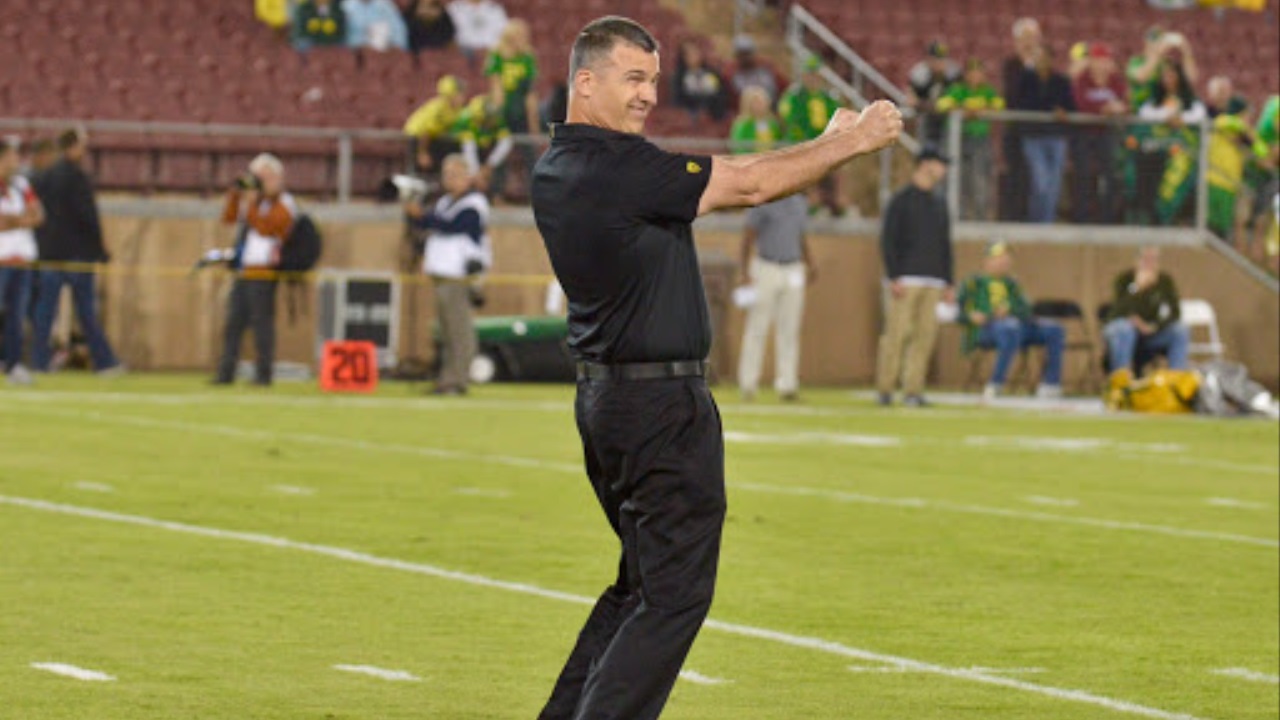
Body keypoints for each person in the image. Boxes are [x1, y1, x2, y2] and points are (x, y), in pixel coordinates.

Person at [530, 16, 901, 720]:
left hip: (609, 402)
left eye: (652, 80)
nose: (647, 95)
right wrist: (853, 142)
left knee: (641, 588)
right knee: (672, 596)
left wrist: (824, 143)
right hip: (658, 406)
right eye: (632, 79)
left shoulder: (560, 166)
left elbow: (738, 175)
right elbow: (749, 184)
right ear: (586, 82)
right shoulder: (619, 168)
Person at [30, 129, 123, 375]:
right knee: (86, 312)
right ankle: (105, 362)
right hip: (78, 255)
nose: (85, 151)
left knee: (45, 312)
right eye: (82, 146)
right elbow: (88, 215)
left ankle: (39, 362)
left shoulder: (44, 176)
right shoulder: (78, 177)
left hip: (50, 254)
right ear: (72, 147)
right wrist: (101, 250)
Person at [406, 154, 490, 395]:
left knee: (459, 330)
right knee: (446, 331)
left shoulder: (474, 203)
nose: (449, 179)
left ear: (467, 177)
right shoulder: (444, 202)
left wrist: (421, 215)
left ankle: (457, 380)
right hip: (442, 275)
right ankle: (446, 379)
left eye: (455, 174)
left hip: (459, 276)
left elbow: (454, 225)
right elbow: (429, 224)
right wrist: (414, 215)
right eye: (446, 174)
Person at [875, 146, 952, 408]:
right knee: (896, 335)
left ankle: (913, 390)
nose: (943, 170)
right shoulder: (901, 200)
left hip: (934, 279)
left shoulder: (940, 202)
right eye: (940, 164)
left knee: (924, 338)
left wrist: (948, 281)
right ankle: (885, 388)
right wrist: (894, 275)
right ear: (925, 164)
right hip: (906, 279)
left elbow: (945, 244)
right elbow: (888, 240)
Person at [212, 154, 297, 387]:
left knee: (262, 324)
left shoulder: (284, 203)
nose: (260, 183)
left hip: (264, 271)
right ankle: (225, 372)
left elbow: (267, 228)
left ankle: (263, 374)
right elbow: (229, 218)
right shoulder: (253, 202)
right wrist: (235, 195)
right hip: (244, 269)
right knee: (233, 323)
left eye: (265, 178)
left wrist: (251, 204)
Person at [956, 241, 1064, 401]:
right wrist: (971, 316)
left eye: (1006, 259)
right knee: (1008, 328)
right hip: (986, 329)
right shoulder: (973, 283)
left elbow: (1027, 311)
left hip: (1020, 327)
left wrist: (1011, 309)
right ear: (987, 261)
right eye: (999, 258)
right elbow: (957, 312)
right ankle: (996, 383)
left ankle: (1051, 384)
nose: (1003, 262)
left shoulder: (1013, 284)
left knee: (1054, 329)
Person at [736, 192, 813, 402]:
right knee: (757, 327)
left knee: (790, 329)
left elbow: (800, 236)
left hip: (793, 267)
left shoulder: (800, 203)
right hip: (766, 266)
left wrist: (809, 261)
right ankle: (748, 383)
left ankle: (788, 384)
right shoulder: (764, 201)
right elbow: (748, 236)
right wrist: (744, 271)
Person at [1134, 61, 1205, 226]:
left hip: (1181, 151)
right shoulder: (1154, 101)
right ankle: (1147, 215)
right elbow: (1145, 113)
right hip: (1155, 149)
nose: (1168, 79)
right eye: (1165, 76)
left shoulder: (1190, 102)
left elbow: (1199, 116)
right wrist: (1165, 117)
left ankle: (1168, 215)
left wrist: (1181, 119)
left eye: (1172, 75)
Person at [777, 55, 848, 215]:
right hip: (802, 143)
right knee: (808, 159)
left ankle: (839, 199)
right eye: (809, 74)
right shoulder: (794, 96)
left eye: (816, 75)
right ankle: (812, 198)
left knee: (841, 160)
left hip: (825, 142)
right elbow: (789, 121)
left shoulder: (828, 98)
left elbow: (838, 118)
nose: (813, 78)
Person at [1103, 246, 1190, 376]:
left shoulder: (1164, 281)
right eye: (1146, 259)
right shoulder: (1124, 279)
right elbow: (1118, 312)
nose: (1150, 264)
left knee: (1180, 330)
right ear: (1136, 261)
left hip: (1153, 332)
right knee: (1124, 328)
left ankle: (1176, 378)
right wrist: (1137, 288)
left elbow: (1174, 313)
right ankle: (1121, 378)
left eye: (1154, 259)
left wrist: (1154, 326)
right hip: (1125, 330)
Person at [1011, 46, 1075, 223]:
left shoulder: (1060, 81)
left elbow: (1070, 105)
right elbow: (1020, 104)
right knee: (1040, 181)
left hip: (1056, 136)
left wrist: (1063, 111)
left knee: (1054, 183)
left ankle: (1046, 222)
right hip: (1033, 136)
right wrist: (1048, 109)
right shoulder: (1026, 80)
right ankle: (1036, 220)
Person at [935, 58, 1004, 220]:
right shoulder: (958, 89)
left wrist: (980, 111)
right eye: (971, 72)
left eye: (978, 72)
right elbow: (942, 105)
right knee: (956, 178)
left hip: (980, 139)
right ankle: (957, 216)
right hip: (957, 140)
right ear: (966, 74)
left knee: (979, 179)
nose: (975, 76)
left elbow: (999, 106)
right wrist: (963, 110)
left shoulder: (988, 91)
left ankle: (980, 218)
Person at [0, 137, 44, 385]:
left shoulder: (21, 184)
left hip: (22, 260)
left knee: (17, 316)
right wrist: (22, 219)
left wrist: (13, 220)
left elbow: (38, 215)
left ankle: (14, 364)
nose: (16, 160)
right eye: (11, 155)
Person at [1070, 42, 1127, 224]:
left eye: (1106, 61)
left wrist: (1114, 109)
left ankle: (1106, 218)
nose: (1103, 65)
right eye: (1099, 60)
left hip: (1107, 133)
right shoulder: (1083, 80)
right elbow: (1080, 104)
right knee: (1084, 175)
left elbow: (1124, 104)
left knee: (1110, 174)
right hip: (1084, 133)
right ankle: (1081, 218)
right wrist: (1104, 109)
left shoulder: (1115, 81)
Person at [484, 19, 539, 199]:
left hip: (520, 112)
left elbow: (530, 92)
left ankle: (535, 194)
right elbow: (496, 88)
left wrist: (533, 121)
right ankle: (497, 193)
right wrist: (497, 116)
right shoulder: (496, 56)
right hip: (503, 112)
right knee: (500, 152)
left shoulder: (528, 58)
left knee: (529, 153)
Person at [999, 17, 1041, 221]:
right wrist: (1027, 67)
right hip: (1016, 130)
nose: (1029, 42)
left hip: (1038, 131)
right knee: (1016, 174)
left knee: (1036, 178)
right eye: (1025, 37)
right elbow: (1013, 95)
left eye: (1033, 37)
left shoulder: (1044, 64)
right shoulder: (1011, 65)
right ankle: (1013, 217)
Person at [1204, 76, 1254, 242]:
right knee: (1211, 225)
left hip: (1231, 181)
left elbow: (1254, 145)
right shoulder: (1219, 119)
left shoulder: (1238, 126)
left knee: (1223, 228)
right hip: (1213, 177)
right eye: (1221, 91)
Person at [403, 75, 467, 176]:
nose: (463, 98)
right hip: (418, 137)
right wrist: (422, 153)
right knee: (422, 168)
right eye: (460, 94)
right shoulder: (439, 109)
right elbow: (426, 132)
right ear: (451, 95)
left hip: (434, 138)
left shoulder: (456, 109)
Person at [453, 94, 513, 193]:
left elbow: (506, 141)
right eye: (489, 118)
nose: (493, 121)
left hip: (483, 150)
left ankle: (497, 195)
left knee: (500, 163)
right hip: (460, 150)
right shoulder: (465, 121)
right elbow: (468, 150)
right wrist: (476, 175)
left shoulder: (496, 118)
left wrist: (490, 165)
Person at [906, 39, 962, 146]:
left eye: (942, 59)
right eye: (935, 59)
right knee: (925, 146)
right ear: (928, 59)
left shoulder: (953, 72)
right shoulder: (919, 73)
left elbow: (958, 96)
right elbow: (911, 99)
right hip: (926, 117)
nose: (939, 63)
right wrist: (929, 105)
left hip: (946, 119)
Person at [671, 39, 727, 128]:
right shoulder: (679, 77)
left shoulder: (710, 73)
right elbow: (678, 99)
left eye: (696, 53)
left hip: (712, 109)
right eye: (689, 54)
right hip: (691, 110)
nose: (694, 56)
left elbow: (719, 91)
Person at [447, 0, 507, 67]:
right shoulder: (454, 9)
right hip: (463, 51)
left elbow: (504, 33)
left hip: (491, 52)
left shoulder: (495, 9)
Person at [728, 86, 782, 154]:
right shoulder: (743, 124)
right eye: (756, 103)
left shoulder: (772, 123)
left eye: (762, 102)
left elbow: (779, 143)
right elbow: (738, 146)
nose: (760, 105)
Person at [728, 34, 781, 104]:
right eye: (741, 54)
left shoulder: (767, 68)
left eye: (747, 54)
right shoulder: (730, 74)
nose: (745, 58)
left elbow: (783, 88)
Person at [342, 0, 408, 52]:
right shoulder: (345, 7)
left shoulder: (387, 7)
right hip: (352, 56)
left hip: (381, 56)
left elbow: (400, 40)